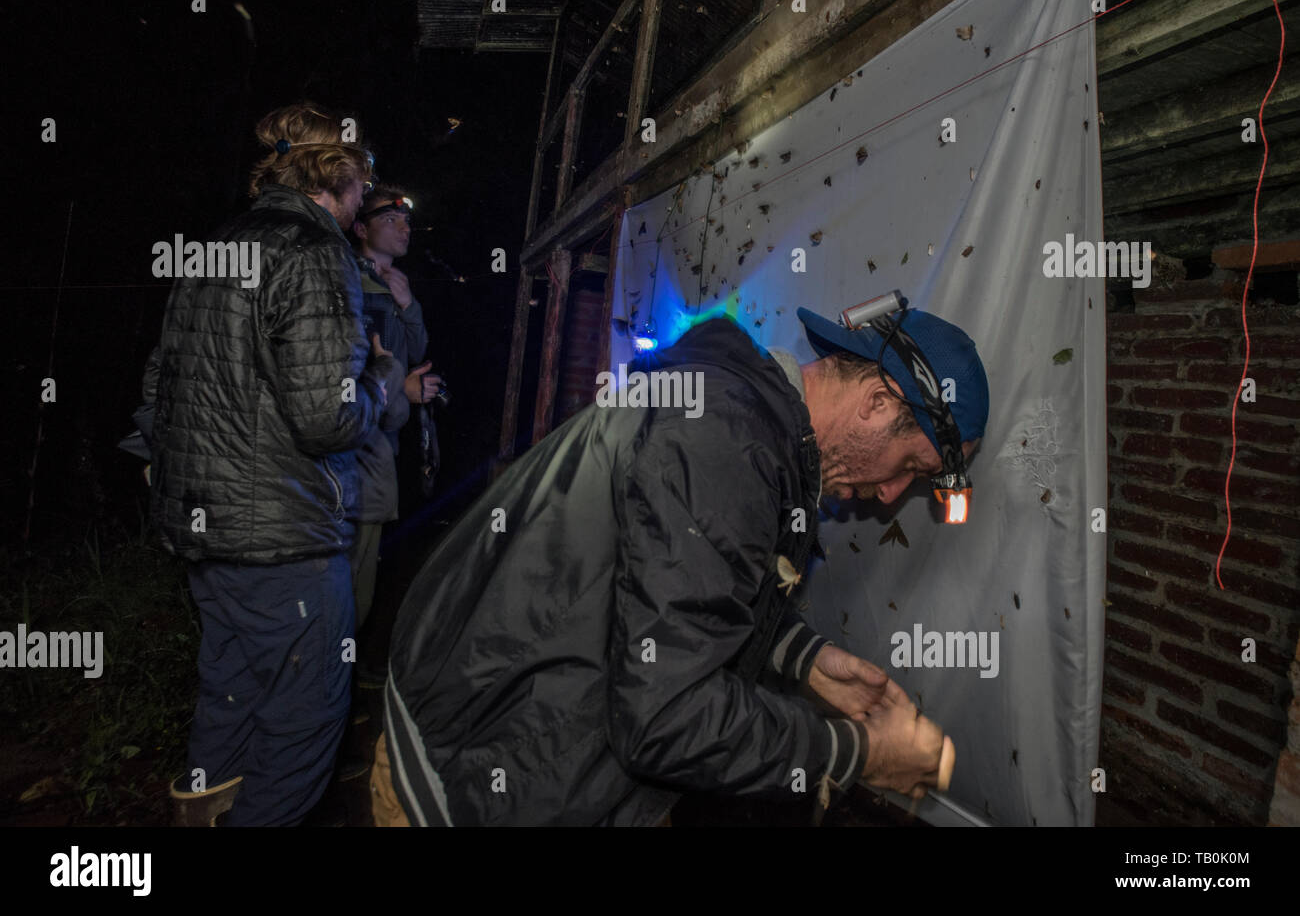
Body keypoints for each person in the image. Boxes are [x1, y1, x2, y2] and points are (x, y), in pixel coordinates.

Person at [373, 302, 988, 826]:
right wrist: (859, 753)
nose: (890, 495)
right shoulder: (726, 441)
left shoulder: (734, 415)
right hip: (475, 781)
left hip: (502, 746)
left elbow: (668, 588)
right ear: (880, 402)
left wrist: (801, 659)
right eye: (912, 467)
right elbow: (668, 715)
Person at [146, 102, 391, 826]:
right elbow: (326, 418)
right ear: (338, 173)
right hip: (284, 545)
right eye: (365, 178)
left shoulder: (219, 244)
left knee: (228, 700)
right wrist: (378, 383)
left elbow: (160, 383)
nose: (367, 196)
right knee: (303, 723)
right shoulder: (315, 252)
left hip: (208, 539)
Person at [346, 185, 437, 636]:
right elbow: (352, 374)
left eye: (407, 220)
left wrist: (409, 305)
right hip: (357, 450)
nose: (404, 228)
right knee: (350, 583)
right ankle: (328, 693)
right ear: (360, 228)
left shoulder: (394, 285)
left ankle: (342, 682)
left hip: (386, 445)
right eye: (390, 219)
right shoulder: (351, 284)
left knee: (368, 573)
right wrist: (402, 388)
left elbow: (415, 350)